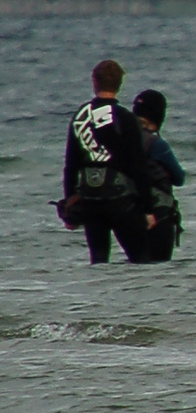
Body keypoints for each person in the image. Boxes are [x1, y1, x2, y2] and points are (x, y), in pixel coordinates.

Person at [61, 59, 154, 264]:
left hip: (90, 199)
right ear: (120, 83)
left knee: (99, 262)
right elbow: (138, 166)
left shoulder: (80, 116)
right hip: (121, 200)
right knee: (141, 260)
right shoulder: (125, 117)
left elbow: (70, 165)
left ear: (94, 81)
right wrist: (148, 208)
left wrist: (69, 204)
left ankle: (98, 296)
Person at [132, 89, 186, 262]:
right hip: (159, 214)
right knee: (159, 266)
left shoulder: (123, 138)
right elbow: (179, 178)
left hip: (129, 212)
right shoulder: (156, 144)